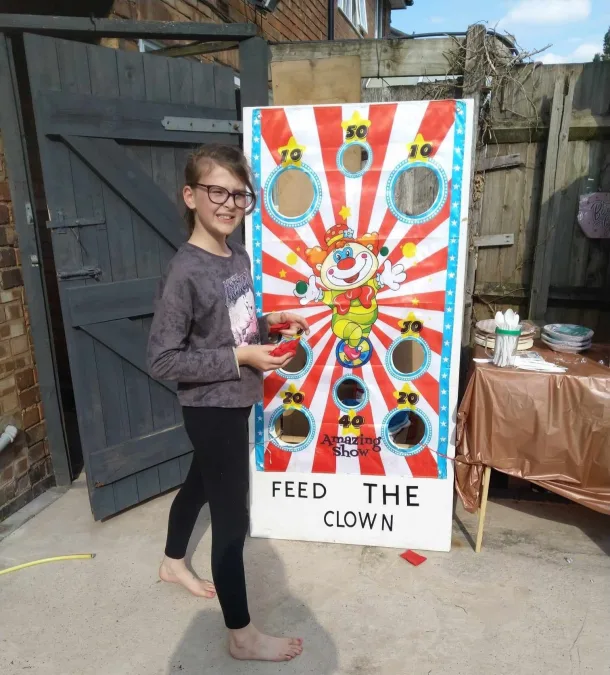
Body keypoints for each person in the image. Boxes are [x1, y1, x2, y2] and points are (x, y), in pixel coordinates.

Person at [147, 144, 308, 662]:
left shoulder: (234, 254)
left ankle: (173, 561)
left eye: (240, 194)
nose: (230, 203)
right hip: (211, 408)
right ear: (191, 196)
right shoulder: (185, 272)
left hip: (235, 398)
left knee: (198, 483)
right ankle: (241, 636)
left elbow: (233, 326)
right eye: (217, 191)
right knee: (232, 521)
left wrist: (272, 324)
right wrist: (241, 355)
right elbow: (164, 360)